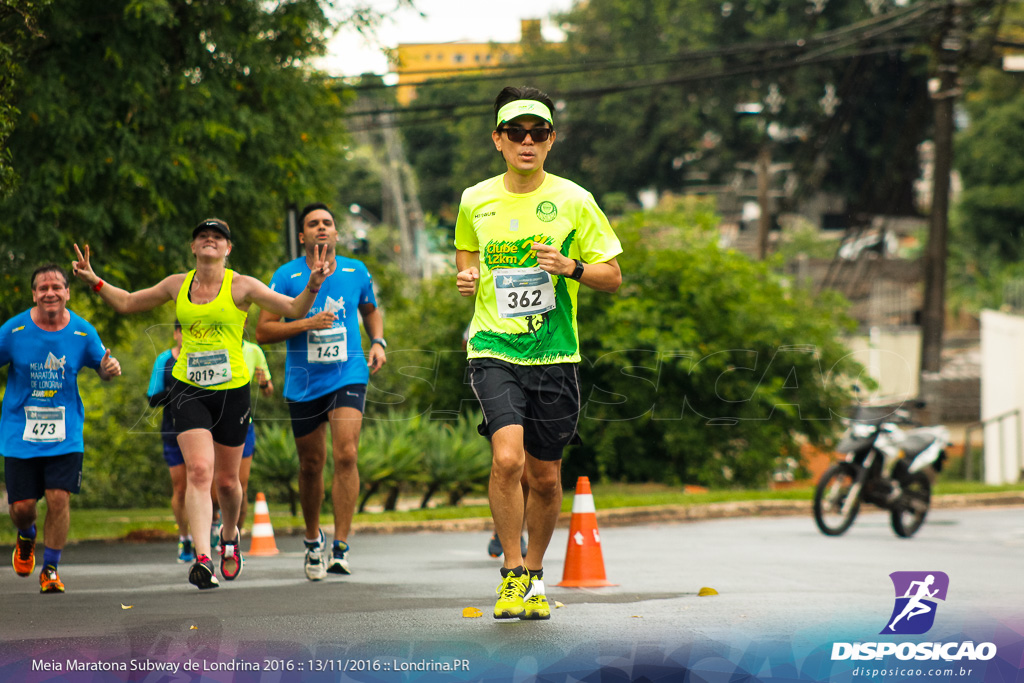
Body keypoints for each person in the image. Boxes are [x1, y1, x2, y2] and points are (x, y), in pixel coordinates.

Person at [71, 218, 328, 590]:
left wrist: (313, 286)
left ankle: (229, 537)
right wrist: (94, 280)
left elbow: (293, 306)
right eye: (203, 236)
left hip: (233, 391)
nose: (210, 240)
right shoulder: (178, 284)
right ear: (193, 247)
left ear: (227, 249)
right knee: (199, 472)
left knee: (227, 482)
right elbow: (128, 302)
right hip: (188, 387)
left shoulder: (243, 286)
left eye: (218, 237)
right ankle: (203, 557)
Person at [455, 86, 623, 620]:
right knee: (507, 459)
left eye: (539, 133)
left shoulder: (575, 200)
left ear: (551, 141)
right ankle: (510, 573)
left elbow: (613, 276)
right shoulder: (474, 198)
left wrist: (570, 267)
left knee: (545, 478)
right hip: (492, 346)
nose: (527, 142)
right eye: (516, 133)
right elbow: (466, 252)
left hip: (555, 352)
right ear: (498, 141)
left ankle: (533, 572)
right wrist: (467, 274)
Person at [256, 202, 386, 581]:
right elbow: (263, 331)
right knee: (311, 464)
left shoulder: (355, 269)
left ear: (336, 232)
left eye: (327, 223)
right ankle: (313, 539)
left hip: (348, 372)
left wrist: (378, 339)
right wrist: (305, 324)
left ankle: (340, 546)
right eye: (313, 224)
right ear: (302, 236)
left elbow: (370, 308)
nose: (321, 228)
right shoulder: (285, 276)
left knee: (347, 453)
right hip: (305, 380)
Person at [1, 264, 122, 593]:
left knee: (59, 498)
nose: (50, 292)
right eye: (43, 288)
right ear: (34, 294)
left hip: (65, 434)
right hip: (19, 433)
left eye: (56, 287)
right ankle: (27, 537)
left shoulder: (83, 332)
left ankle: (50, 568)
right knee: (22, 508)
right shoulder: (12, 331)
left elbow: (104, 367)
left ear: (68, 292)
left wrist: (110, 368)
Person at [210, 339, 274, 548]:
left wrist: (264, 383)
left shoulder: (254, 351)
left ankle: (233, 538)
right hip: (213, 424)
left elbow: (268, 390)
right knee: (214, 484)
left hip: (243, 424)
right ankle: (213, 523)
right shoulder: (212, 345)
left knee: (240, 485)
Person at [145, 320, 194, 563]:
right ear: (176, 333)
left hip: (203, 431)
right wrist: (174, 392)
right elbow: (152, 399)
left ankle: (208, 532)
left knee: (208, 484)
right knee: (181, 488)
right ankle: (185, 538)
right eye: (183, 331)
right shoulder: (165, 360)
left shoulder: (206, 356)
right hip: (173, 431)